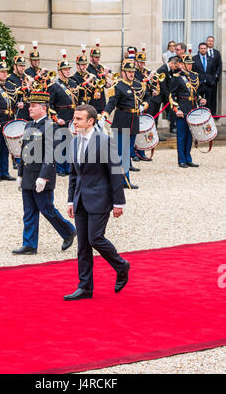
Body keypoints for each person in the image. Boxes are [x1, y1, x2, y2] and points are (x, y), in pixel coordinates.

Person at [64, 104, 130, 300]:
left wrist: (119, 203)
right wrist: (70, 200)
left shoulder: (104, 141)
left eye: (78, 119)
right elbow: (74, 174)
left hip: (100, 198)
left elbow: (116, 172)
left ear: (90, 121)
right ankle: (85, 287)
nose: (74, 122)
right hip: (80, 200)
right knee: (83, 245)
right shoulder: (74, 142)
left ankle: (121, 265)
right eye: (74, 118)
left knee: (95, 239)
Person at [12, 90, 76, 255]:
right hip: (28, 174)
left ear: (44, 108)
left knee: (47, 209)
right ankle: (29, 245)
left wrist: (43, 177)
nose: (30, 109)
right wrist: (20, 173)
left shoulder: (50, 126)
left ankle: (68, 231)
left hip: (41, 175)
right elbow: (24, 151)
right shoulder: (28, 125)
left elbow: (51, 154)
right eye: (30, 106)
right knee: (29, 211)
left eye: (34, 106)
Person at [98, 59, 150, 190]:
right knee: (119, 153)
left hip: (134, 121)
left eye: (133, 71)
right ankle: (116, 180)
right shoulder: (118, 86)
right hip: (122, 121)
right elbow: (111, 103)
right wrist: (104, 115)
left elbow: (148, 96)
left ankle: (125, 179)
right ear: (123, 72)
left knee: (128, 152)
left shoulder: (139, 85)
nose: (131, 74)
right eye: (129, 72)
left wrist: (144, 106)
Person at [169, 53, 206, 168]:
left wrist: (200, 99)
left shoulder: (195, 76)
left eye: (191, 64)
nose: (190, 66)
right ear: (182, 64)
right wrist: (177, 109)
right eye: (188, 64)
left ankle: (188, 158)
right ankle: (181, 160)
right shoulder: (177, 77)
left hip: (192, 108)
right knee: (181, 135)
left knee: (190, 135)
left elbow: (195, 92)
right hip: (182, 108)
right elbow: (172, 95)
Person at [48, 50, 79, 176]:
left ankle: (69, 167)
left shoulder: (73, 83)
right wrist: (56, 118)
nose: (68, 71)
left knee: (70, 143)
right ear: (59, 71)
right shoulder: (54, 86)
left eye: (68, 69)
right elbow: (49, 105)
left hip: (72, 115)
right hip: (61, 115)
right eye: (65, 70)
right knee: (60, 144)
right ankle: (60, 168)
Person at [155, 55, 182, 134]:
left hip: (166, 94)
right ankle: (154, 133)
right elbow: (162, 85)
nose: (176, 68)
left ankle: (172, 127)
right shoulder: (162, 69)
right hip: (159, 95)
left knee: (172, 110)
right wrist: (169, 96)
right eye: (176, 66)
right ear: (172, 63)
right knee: (156, 114)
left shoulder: (170, 70)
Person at [87, 40, 110, 114]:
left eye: (99, 57)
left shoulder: (101, 68)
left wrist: (110, 84)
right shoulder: (88, 69)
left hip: (102, 101)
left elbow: (105, 84)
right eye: (96, 57)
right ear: (91, 58)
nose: (98, 59)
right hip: (93, 101)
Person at [192, 42, 216, 112]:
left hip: (209, 84)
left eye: (204, 48)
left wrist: (212, 80)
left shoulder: (211, 59)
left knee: (208, 104)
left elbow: (213, 71)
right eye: (201, 48)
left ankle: (207, 120)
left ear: (207, 49)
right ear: (199, 49)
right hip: (199, 84)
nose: (203, 50)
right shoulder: (194, 58)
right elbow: (193, 71)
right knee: (198, 103)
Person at [206, 36, 222, 115]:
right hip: (205, 79)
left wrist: (216, 76)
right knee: (205, 97)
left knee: (213, 96)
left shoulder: (217, 53)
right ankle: (205, 113)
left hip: (213, 79)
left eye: (212, 41)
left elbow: (219, 65)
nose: (210, 42)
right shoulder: (203, 52)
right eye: (209, 41)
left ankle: (213, 113)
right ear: (206, 42)